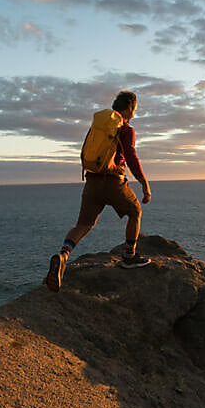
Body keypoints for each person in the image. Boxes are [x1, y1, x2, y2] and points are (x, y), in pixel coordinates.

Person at [45, 90, 152, 292]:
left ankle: (63, 255)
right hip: (114, 182)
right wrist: (144, 183)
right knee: (135, 211)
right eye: (135, 109)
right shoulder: (126, 129)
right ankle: (129, 256)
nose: (135, 112)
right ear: (129, 107)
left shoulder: (99, 127)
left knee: (84, 224)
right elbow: (130, 155)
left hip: (92, 181)